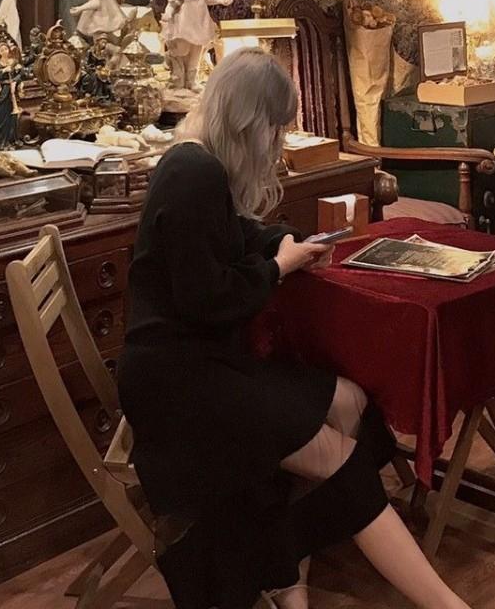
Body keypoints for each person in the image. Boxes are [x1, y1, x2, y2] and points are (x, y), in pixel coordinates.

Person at [118, 48, 472, 609]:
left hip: (202, 364)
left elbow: (231, 236)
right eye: (276, 128)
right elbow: (209, 300)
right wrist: (278, 268)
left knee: (349, 399)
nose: (278, 142)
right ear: (249, 122)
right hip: (178, 386)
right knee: (338, 454)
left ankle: (287, 575)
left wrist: (281, 242)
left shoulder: (196, 163)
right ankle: (442, 604)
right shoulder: (193, 175)